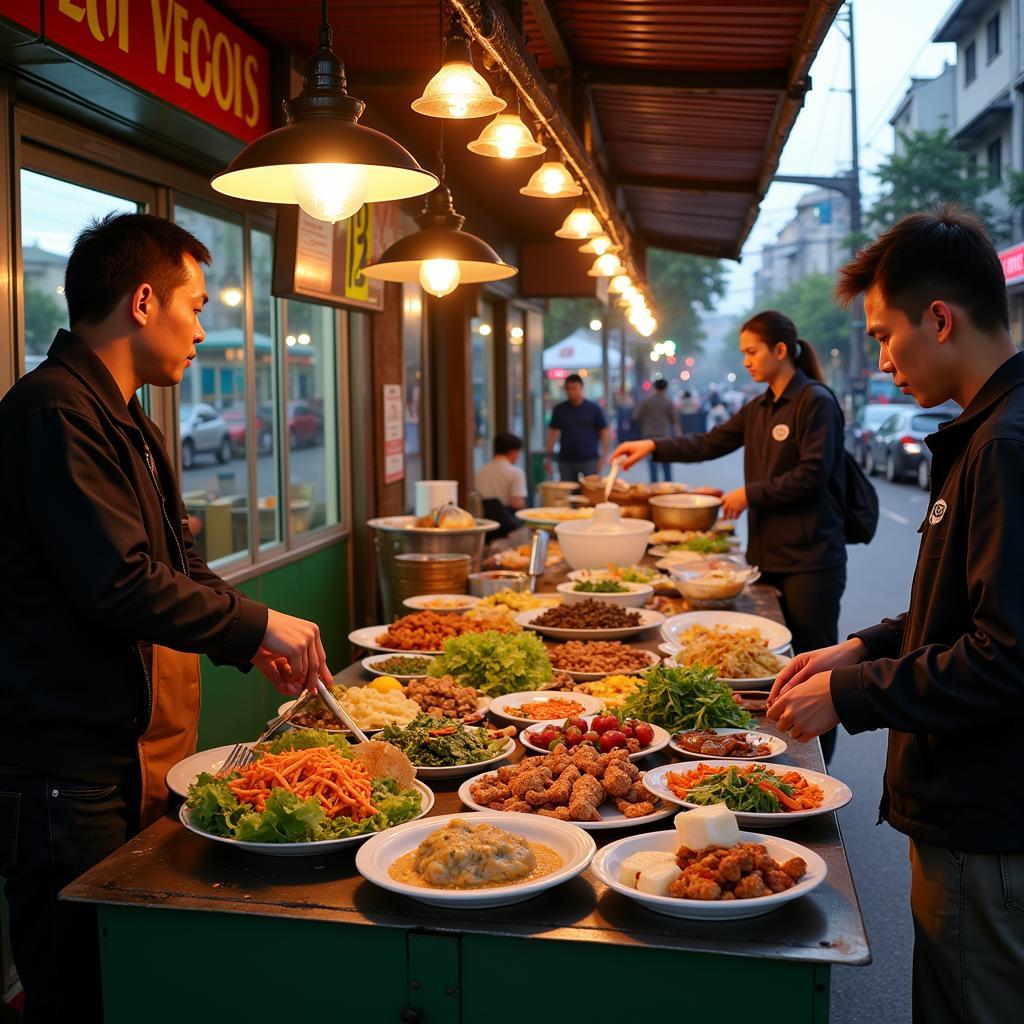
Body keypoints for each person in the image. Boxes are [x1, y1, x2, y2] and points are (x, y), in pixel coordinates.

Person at [0, 213, 331, 1024]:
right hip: (63, 769)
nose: (203, 327)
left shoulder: (130, 418)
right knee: (80, 990)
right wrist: (255, 625)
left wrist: (249, 639)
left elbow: (178, 566)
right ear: (144, 301)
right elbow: (116, 583)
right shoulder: (54, 413)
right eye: (198, 304)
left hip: (127, 756)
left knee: (138, 981)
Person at [766, 207, 1024, 1023]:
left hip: (988, 820)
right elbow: (958, 608)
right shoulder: (983, 434)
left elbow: (1005, 655)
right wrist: (857, 648)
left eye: (884, 334)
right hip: (966, 811)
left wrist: (854, 695)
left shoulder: (1005, 447)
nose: (881, 357)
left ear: (939, 319)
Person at [612, 310, 847, 762]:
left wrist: (749, 492)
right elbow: (709, 441)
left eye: (752, 351)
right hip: (768, 555)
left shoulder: (815, 401)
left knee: (813, 672)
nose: (746, 361)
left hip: (812, 561)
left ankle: (816, 768)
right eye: (743, 353)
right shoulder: (759, 407)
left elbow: (814, 475)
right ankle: (771, 754)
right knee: (770, 672)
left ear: (781, 350)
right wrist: (653, 445)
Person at [544, 372, 609, 481]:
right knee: (568, 493)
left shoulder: (593, 409)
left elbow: (604, 432)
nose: (571, 392)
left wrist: (604, 456)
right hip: (566, 460)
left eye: (574, 388)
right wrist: (548, 458)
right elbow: (552, 434)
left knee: (590, 492)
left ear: (581, 388)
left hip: (589, 459)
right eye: (568, 389)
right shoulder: (560, 409)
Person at [631, 378, 679, 482]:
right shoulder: (668, 402)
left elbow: (635, 416)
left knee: (652, 464)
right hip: (665, 437)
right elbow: (675, 420)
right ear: (666, 388)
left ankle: (653, 488)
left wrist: (644, 423)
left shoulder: (646, 401)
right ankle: (669, 489)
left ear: (654, 387)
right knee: (666, 463)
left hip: (649, 437)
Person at [475, 431, 528, 512]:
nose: (518, 455)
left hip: (487, 521)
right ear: (512, 452)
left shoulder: (481, 471)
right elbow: (516, 502)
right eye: (518, 452)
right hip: (509, 522)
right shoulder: (516, 472)